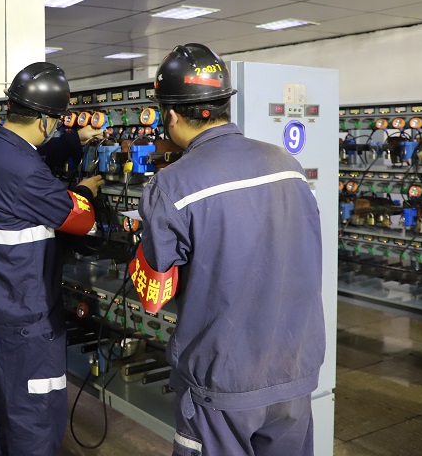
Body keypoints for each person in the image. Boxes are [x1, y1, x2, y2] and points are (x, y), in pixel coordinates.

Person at [131, 43, 324, 456]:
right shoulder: (286, 164)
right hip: (294, 372)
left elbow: (153, 295)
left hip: (223, 387)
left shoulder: (173, 185)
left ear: (170, 115)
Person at [0, 62, 104, 455]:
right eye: (57, 123)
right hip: (28, 320)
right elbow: (80, 219)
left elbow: (30, 154)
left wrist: (74, 140)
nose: (56, 128)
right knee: (34, 420)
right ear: (44, 121)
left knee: (0, 411)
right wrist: (85, 190)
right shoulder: (25, 173)